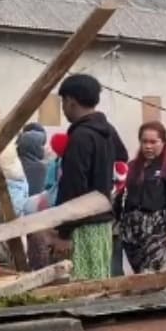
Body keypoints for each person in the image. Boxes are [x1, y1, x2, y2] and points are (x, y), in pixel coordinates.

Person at [52, 74, 129, 280]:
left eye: (63, 102)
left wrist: (64, 234)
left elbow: (73, 188)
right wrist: (108, 193)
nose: (63, 108)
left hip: (82, 227)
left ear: (70, 101)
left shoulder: (81, 137)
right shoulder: (108, 130)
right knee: (99, 280)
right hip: (103, 224)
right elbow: (122, 163)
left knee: (80, 284)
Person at [118, 122, 166, 272]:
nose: (148, 146)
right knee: (138, 272)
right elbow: (120, 193)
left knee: (154, 273)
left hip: (158, 231)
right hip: (132, 231)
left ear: (163, 142)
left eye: (153, 142)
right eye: (144, 142)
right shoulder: (133, 166)